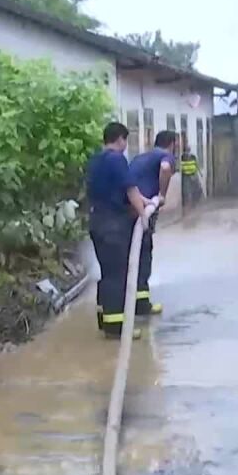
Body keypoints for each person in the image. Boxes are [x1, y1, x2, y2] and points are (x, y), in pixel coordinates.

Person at [86, 122, 153, 340]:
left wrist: (147, 201)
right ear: (120, 139)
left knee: (107, 273)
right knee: (118, 276)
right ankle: (116, 328)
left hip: (97, 222)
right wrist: (143, 216)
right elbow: (130, 189)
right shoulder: (117, 159)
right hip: (114, 226)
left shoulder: (96, 160)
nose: (125, 145)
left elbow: (125, 190)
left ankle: (104, 319)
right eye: (125, 140)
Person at [128, 130, 177, 317]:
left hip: (128, 210)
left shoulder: (140, 158)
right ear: (172, 144)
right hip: (143, 212)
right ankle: (142, 305)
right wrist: (162, 195)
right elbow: (165, 168)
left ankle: (130, 303)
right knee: (143, 255)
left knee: (130, 256)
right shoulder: (166, 156)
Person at [179, 142, 201, 211]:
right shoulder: (182, 157)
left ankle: (194, 203)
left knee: (196, 189)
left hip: (193, 174)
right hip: (186, 176)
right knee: (187, 191)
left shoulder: (193, 157)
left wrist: (199, 173)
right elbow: (180, 166)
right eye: (187, 149)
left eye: (188, 149)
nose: (187, 151)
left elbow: (197, 165)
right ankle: (188, 205)